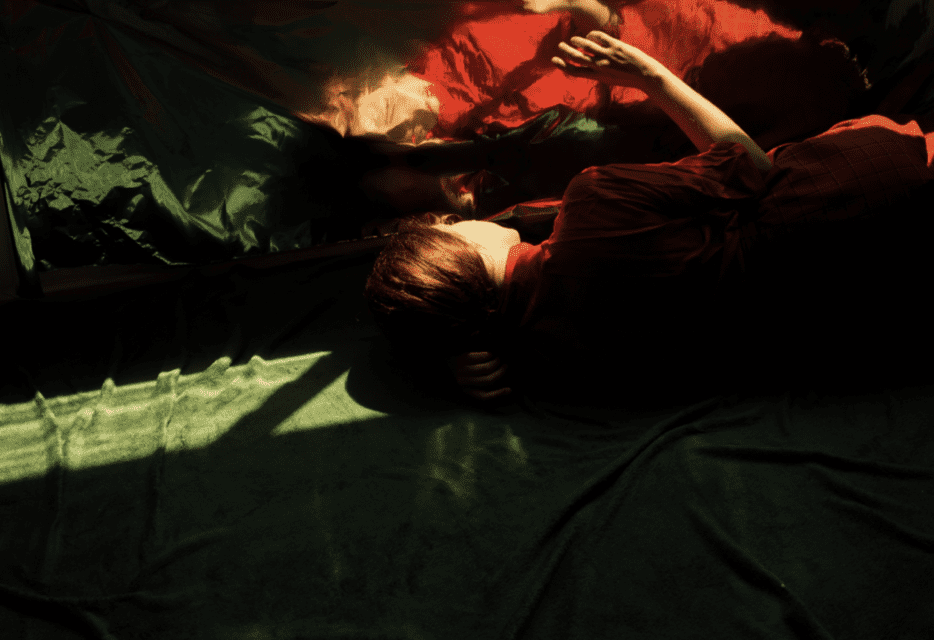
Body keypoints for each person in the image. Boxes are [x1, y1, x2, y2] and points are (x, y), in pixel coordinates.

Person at [363, 31, 934, 405]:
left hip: (860, 319)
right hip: (862, 200)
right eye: (450, 228)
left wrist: (459, 356)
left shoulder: (549, 359)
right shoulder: (593, 207)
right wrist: (652, 77)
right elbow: (750, 167)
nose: (456, 220)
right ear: (465, 253)